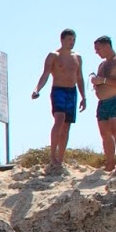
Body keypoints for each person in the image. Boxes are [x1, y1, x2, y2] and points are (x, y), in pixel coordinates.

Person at [29, 29, 87, 170]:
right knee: (59, 120)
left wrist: (84, 96)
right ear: (62, 40)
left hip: (72, 92)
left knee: (67, 125)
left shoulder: (77, 57)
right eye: (69, 39)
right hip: (58, 90)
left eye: (73, 40)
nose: (71, 42)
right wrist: (37, 89)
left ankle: (60, 158)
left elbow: (79, 77)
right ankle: (52, 156)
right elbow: (45, 74)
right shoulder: (53, 56)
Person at [90, 35, 116, 174]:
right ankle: (109, 164)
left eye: (98, 48)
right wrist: (96, 83)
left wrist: (103, 80)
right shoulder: (102, 64)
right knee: (105, 134)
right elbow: (101, 81)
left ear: (107, 46)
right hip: (102, 103)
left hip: (115, 100)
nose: (96, 52)